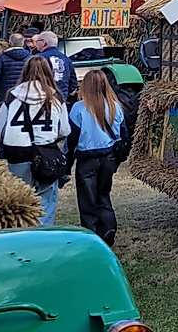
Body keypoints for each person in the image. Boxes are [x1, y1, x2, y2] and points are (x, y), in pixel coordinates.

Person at [0, 57, 70, 226]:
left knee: (19, 201)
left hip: (17, 154)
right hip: (46, 154)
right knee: (46, 201)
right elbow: (64, 130)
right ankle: (41, 239)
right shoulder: (55, 96)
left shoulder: (12, 96)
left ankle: (20, 235)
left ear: (25, 71)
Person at [65, 69, 127, 246]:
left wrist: (67, 165)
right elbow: (123, 134)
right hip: (109, 158)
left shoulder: (79, 108)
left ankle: (91, 236)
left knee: (87, 199)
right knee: (103, 194)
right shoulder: (115, 106)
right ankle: (109, 228)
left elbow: (71, 139)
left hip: (87, 160)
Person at [31, 31, 78, 100]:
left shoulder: (38, 59)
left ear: (44, 42)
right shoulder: (65, 58)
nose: (36, 43)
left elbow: (32, 78)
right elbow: (73, 82)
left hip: (43, 98)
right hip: (62, 97)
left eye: (37, 41)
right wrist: (65, 93)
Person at [0, 34, 32, 104]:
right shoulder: (31, 57)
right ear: (23, 43)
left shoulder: (1, 58)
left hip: (5, 94)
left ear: (10, 43)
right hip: (24, 94)